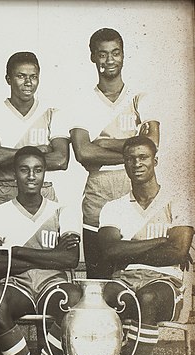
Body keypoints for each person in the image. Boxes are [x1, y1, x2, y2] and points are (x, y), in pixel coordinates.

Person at [99, 135, 193, 355]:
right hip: (125, 279)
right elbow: (110, 250)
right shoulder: (113, 207)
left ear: (155, 160)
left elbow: (178, 251)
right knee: (102, 301)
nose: (136, 163)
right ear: (124, 163)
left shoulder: (179, 199)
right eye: (130, 158)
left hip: (165, 283)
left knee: (147, 300)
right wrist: (158, 241)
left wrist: (131, 248)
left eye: (142, 157)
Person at [0, 146, 81, 355]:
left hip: (53, 284)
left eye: (38, 170)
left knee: (74, 299)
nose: (31, 176)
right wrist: (51, 256)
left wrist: (16, 251)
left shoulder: (62, 210)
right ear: (14, 174)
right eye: (24, 170)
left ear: (44, 174)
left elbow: (70, 259)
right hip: (18, 285)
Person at [70, 28, 159, 279]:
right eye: (103, 54)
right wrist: (134, 148)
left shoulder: (140, 98)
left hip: (137, 189)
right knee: (99, 279)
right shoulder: (82, 100)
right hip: (99, 191)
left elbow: (152, 144)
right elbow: (83, 152)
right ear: (92, 57)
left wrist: (107, 143)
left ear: (123, 55)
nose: (109, 60)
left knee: (138, 271)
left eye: (115, 53)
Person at [0, 52, 70, 207]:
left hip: (43, 191)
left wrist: (11, 156)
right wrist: (38, 151)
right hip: (7, 189)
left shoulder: (51, 112)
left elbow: (61, 160)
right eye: (21, 76)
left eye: (34, 77)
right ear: (8, 79)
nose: (28, 82)